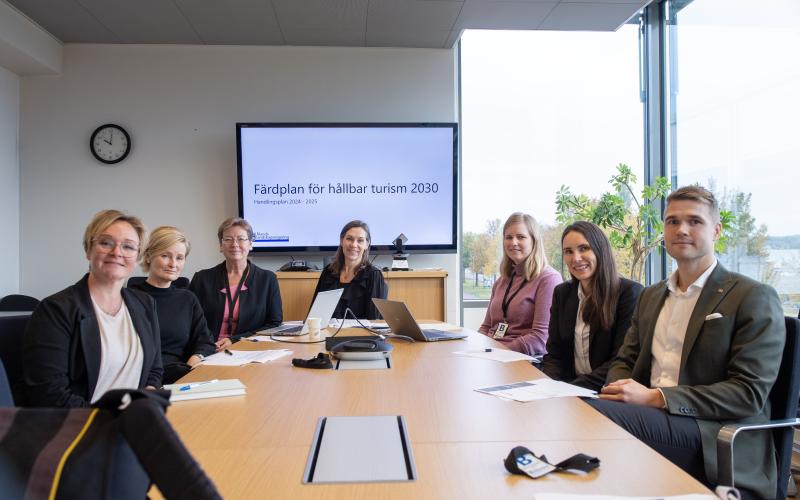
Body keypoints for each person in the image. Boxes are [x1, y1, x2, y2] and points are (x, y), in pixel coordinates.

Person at [589, 186, 785, 499]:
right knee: (583, 412)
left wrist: (657, 398)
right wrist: (618, 391)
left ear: (716, 230)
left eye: (694, 221)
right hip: (651, 419)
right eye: (672, 221)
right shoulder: (652, 296)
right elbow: (625, 360)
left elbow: (747, 393)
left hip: (712, 433)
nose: (681, 229)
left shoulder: (752, 296)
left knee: (589, 416)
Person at [23, 209, 163, 408]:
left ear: (138, 256)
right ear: (89, 250)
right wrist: (112, 419)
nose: (117, 253)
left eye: (129, 247)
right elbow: (49, 394)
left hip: (135, 420)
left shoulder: (145, 303)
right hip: (82, 426)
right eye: (106, 243)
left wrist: (145, 402)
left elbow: (154, 369)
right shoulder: (55, 310)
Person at [541, 221, 642, 391]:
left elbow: (619, 361)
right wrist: (547, 388)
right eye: (568, 252)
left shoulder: (629, 293)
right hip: (567, 388)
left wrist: (569, 390)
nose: (576, 258)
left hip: (607, 390)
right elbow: (554, 355)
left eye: (583, 248)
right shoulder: (562, 293)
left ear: (600, 250)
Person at [130, 226, 216, 384]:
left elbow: (205, 342)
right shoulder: (129, 298)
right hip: (140, 380)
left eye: (179, 258)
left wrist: (193, 362)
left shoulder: (187, 299)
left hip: (179, 377)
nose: (173, 264)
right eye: (165, 256)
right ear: (148, 256)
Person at [189, 217, 282, 349]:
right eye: (228, 239)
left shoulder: (267, 279)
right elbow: (189, 322)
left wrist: (236, 340)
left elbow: (274, 324)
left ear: (250, 244)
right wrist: (206, 347)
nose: (234, 244)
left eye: (241, 239)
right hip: (208, 350)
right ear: (220, 246)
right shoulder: (202, 279)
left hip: (248, 349)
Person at [479, 212, 562, 356]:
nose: (513, 242)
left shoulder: (548, 279)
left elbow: (540, 338)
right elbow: (486, 327)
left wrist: (498, 352)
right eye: (508, 237)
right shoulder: (502, 281)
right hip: (492, 355)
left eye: (521, 237)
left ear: (534, 241)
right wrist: (476, 347)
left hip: (523, 359)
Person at [312, 220, 387, 320]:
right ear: (341, 241)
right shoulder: (328, 272)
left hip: (360, 335)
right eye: (349, 239)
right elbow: (315, 316)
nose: (354, 245)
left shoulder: (374, 275)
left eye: (360, 240)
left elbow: (375, 322)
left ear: (366, 244)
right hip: (328, 334)